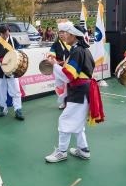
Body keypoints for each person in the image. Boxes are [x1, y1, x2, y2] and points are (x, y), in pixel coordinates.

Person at [44, 22, 105, 163]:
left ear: (74, 36)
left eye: (68, 34)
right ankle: (83, 150)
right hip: (83, 90)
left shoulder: (77, 51)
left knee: (65, 120)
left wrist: (54, 65)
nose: (65, 37)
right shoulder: (84, 50)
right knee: (77, 122)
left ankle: (61, 152)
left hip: (79, 91)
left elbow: (68, 76)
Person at [0, 25, 25, 120]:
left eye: (6, 33)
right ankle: (2, 108)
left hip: (12, 69)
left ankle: (18, 109)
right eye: (3, 34)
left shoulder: (13, 40)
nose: (5, 35)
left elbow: (20, 51)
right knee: (1, 90)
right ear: (0, 33)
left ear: (9, 31)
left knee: (16, 90)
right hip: (0, 69)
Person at [48, 23, 72, 108]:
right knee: (59, 86)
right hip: (59, 68)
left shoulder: (70, 42)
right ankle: (63, 101)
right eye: (60, 33)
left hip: (70, 68)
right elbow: (51, 54)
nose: (61, 34)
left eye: (63, 32)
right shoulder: (55, 44)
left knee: (69, 86)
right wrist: (53, 59)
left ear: (67, 33)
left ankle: (69, 102)